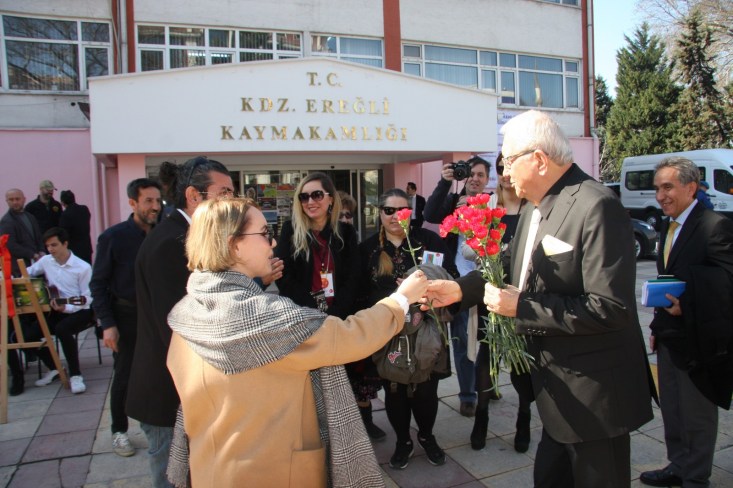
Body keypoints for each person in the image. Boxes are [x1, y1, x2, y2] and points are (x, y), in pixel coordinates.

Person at [425, 110, 655, 487]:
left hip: (595, 400)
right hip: (556, 395)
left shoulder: (596, 205)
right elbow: (509, 264)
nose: (504, 172)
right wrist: (458, 290)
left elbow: (611, 308)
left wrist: (522, 308)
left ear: (539, 160)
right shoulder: (536, 205)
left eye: (508, 160)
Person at [165, 198, 428, 487]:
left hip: (207, 469)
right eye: (264, 233)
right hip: (274, 472)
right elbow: (349, 337)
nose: (273, 242)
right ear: (234, 245)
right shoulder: (265, 319)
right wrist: (402, 299)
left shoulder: (187, 311)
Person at [127, 157, 236, 488]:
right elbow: (179, 328)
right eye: (224, 192)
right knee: (172, 479)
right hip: (166, 393)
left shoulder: (186, 236)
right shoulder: (171, 243)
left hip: (180, 390)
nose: (232, 201)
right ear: (193, 195)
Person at [640, 157, 733, 488]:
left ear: (691, 187)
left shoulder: (714, 225)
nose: (660, 196)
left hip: (699, 339)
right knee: (673, 410)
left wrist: (688, 304)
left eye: (668, 187)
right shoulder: (669, 226)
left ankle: (695, 478)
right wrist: (657, 328)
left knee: (697, 414)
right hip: (670, 336)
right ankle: (678, 466)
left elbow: (726, 281)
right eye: (657, 189)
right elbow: (667, 278)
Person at [359, 188, 458, 469]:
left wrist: (426, 284)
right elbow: (360, 293)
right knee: (395, 392)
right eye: (388, 211)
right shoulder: (368, 249)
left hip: (427, 330)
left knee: (426, 391)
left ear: (411, 213)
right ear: (380, 213)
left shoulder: (428, 241)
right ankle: (403, 441)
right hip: (390, 335)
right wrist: (398, 295)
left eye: (401, 210)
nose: (395, 216)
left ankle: (426, 436)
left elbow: (453, 277)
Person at [274, 174, 368, 432]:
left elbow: (353, 277)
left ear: (330, 199)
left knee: (342, 376)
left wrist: (335, 314)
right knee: (308, 379)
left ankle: (346, 431)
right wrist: (313, 312)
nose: (310, 201)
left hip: (339, 317)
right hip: (304, 317)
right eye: (304, 197)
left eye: (316, 195)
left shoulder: (346, 232)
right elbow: (284, 277)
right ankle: (312, 431)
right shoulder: (290, 230)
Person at [465, 153, 535, 452]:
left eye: (510, 167)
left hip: (521, 294)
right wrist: (488, 247)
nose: (506, 173)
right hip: (491, 292)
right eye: (500, 168)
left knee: (521, 361)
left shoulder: (534, 207)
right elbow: (468, 250)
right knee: (486, 356)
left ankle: (524, 417)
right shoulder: (487, 204)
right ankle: (481, 418)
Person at [90, 178, 162, 458]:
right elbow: (98, 284)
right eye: (148, 201)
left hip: (159, 315)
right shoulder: (114, 237)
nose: (155, 206)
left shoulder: (164, 234)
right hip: (127, 316)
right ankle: (119, 431)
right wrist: (108, 324)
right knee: (125, 374)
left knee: (161, 370)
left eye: (158, 200)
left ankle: (156, 424)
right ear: (133, 203)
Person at [424, 156, 492, 417]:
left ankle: (487, 385)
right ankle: (467, 395)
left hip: (488, 283)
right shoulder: (454, 201)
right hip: (459, 285)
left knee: (490, 341)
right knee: (463, 342)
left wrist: (482, 215)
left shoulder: (492, 204)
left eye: (480, 175)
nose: (475, 179)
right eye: (471, 174)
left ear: (487, 179)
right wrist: (445, 183)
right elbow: (429, 214)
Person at [27, 227, 93, 395]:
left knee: (63, 329)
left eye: (54, 245)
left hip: (81, 310)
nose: (50, 249)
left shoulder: (83, 267)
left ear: (65, 243)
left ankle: (76, 375)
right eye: (48, 246)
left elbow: (87, 299)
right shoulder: (46, 261)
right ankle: (55, 368)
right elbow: (28, 273)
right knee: (28, 335)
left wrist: (67, 307)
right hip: (56, 310)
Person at [1, 188, 45, 396]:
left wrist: (40, 251)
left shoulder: (29, 216)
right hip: (17, 273)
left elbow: (37, 237)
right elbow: (10, 245)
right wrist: (32, 254)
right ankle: (19, 369)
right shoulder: (6, 222)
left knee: (31, 319)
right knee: (14, 325)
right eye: (10, 199)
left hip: (34, 271)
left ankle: (32, 351)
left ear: (23, 199)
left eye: (17, 198)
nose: (14, 202)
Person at [59, 190, 93, 264]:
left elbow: (63, 233)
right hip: (86, 247)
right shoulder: (84, 209)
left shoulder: (65, 215)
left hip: (74, 250)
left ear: (62, 203)